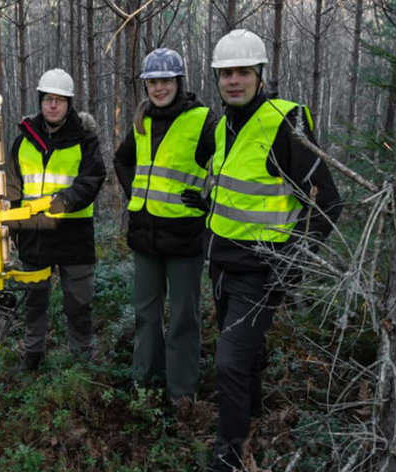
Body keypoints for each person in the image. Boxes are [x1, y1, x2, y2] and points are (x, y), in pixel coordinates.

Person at [204, 30, 342, 470]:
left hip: (261, 270)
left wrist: (295, 258)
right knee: (244, 354)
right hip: (222, 263)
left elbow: (328, 200)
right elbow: (241, 193)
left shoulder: (285, 121)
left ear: (260, 75)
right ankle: (257, 416)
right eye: (226, 73)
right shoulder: (224, 124)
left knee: (228, 362)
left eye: (243, 72)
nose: (234, 80)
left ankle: (229, 452)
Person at [113, 48, 217, 406]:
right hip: (145, 235)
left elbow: (227, 167)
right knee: (145, 315)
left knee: (184, 318)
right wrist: (135, 195)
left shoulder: (203, 120)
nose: (159, 88)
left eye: (165, 81)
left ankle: (181, 393)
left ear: (179, 81)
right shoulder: (142, 120)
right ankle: (146, 382)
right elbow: (122, 160)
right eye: (153, 82)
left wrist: (209, 201)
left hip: (185, 236)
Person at [4, 68, 106, 371]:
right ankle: (32, 356)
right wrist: (10, 225)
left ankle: (82, 359)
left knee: (79, 303)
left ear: (69, 103)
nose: (53, 105)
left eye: (60, 100)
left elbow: (93, 178)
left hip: (73, 233)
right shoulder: (23, 140)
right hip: (34, 236)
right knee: (34, 302)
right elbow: (12, 187)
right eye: (48, 99)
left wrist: (66, 201)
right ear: (40, 100)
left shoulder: (85, 138)